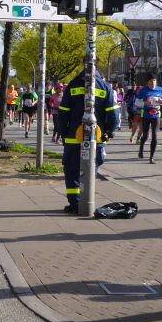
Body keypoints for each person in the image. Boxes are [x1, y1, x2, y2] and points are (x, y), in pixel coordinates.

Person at [57, 58, 119, 214]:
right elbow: (113, 114)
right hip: (96, 136)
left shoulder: (72, 85)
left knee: (72, 170)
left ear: (84, 64)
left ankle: (75, 203)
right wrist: (109, 131)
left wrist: (63, 133)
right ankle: (87, 200)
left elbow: (63, 113)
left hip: (73, 136)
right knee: (91, 168)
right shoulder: (105, 86)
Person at [136, 73, 162, 164]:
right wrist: (145, 103)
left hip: (156, 114)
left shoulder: (160, 90)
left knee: (155, 135)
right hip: (146, 114)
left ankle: (151, 157)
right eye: (151, 81)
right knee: (145, 135)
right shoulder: (143, 91)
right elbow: (137, 103)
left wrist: (161, 102)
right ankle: (141, 148)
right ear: (148, 82)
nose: (153, 82)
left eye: (154, 80)